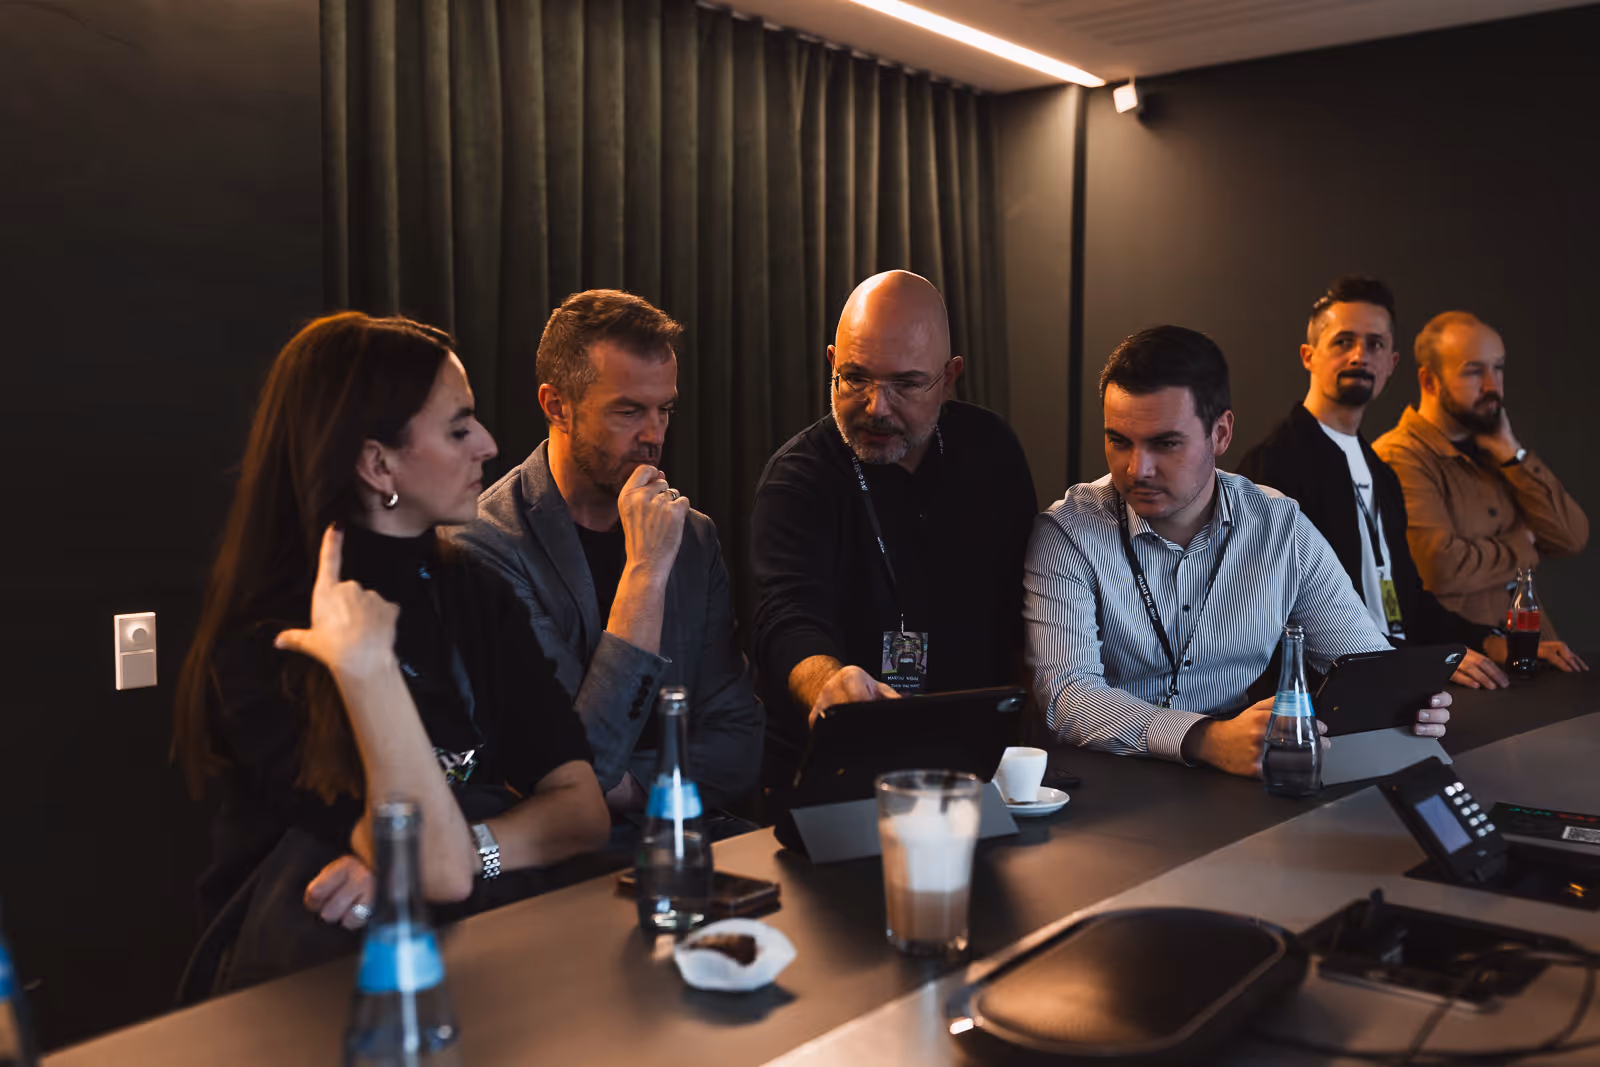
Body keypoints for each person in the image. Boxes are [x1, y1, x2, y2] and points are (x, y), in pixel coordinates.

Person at [174, 314, 608, 996]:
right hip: (305, 999)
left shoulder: (474, 592)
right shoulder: (271, 636)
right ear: (378, 464)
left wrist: (468, 848)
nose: (489, 444)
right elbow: (438, 871)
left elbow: (581, 812)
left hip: (470, 967)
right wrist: (368, 668)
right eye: (459, 429)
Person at [1025, 326, 1449, 775]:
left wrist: (1406, 700)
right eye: (1119, 441)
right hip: (1108, 782)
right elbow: (1067, 698)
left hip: (1238, 777)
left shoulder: (1280, 527)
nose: (1137, 469)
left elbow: (1364, 664)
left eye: (1165, 443)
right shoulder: (1067, 532)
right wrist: (1205, 738)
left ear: (1221, 434)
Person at [446, 290, 763, 823]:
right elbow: (578, 770)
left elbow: (740, 742)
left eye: (665, 410)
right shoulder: (485, 547)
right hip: (562, 857)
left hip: (689, 833)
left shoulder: (694, 536)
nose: (654, 435)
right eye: (628, 411)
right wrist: (646, 572)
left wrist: (636, 789)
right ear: (557, 406)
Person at [751, 270, 1037, 779]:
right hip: (837, 762)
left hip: (972, 761)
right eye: (856, 378)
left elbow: (1022, 615)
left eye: (904, 384)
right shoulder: (798, 478)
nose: (876, 407)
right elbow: (787, 619)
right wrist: (828, 684)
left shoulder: (991, 451)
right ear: (832, 363)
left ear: (948, 378)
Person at [1234, 276, 1510, 688]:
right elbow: (1272, 616)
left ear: (1391, 364)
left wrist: (1491, 640)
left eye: (1375, 344)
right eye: (1343, 341)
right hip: (1327, 691)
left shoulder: (1381, 471)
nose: (1360, 356)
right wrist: (1413, 662)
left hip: (1398, 673)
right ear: (1309, 356)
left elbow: (1408, 601)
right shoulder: (1272, 465)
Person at [1373, 312, 1588, 671]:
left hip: (1534, 657)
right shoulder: (1399, 456)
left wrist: (1514, 454)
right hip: (1469, 671)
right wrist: (1524, 545)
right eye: (1474, 371)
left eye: (1498, 368)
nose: (1492, 385)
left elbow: (1570, 537)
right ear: (1429, 381)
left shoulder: (1497, 450)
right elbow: (1439, 569)